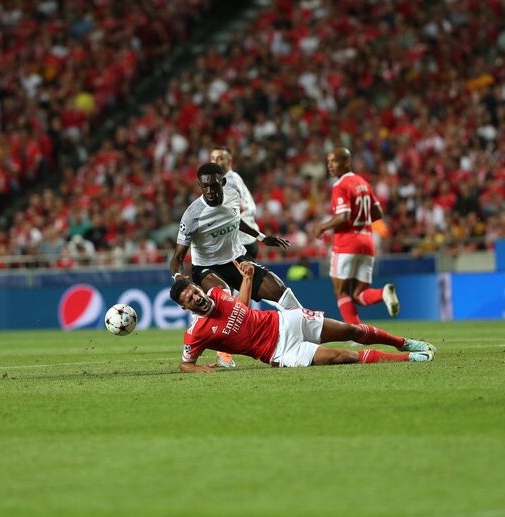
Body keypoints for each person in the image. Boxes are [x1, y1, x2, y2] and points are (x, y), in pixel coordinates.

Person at [170, 261, 435, 372]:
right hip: (280, 351)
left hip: (286, 321)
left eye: (193, 291)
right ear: (185, 308)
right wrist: (199, 371)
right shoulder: (197, 333)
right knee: (345, 356)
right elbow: (185, 363)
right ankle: (408, 358)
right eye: (189, 299)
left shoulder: (217, 293)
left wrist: (248, 278)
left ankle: (404, 342)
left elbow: (240, 306)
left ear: (196, 288)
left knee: (350, 330)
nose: (195, 297)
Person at [170, 163, 304, 368]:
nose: (210, 191)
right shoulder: (191, 216)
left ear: (222, 183)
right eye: (204, 186)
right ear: (199, 185)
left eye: (214, 186)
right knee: (223, 293)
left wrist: (261, 237)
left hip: (236, 259)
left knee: (280, 290)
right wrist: (177, 277)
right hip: (207, 267)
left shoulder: (232, 195)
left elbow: (235, 219)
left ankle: (305, 328)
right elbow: (178, 256)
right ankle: (224, 355)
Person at [315, 147, 399, 325]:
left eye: (334, 161)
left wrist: (323, 226)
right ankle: (383, 293)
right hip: (367, 242)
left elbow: (343, 216)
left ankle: (356, 333)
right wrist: (360, 220)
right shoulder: (363, 182)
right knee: (358, 295)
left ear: (346, 162)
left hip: (346, 243)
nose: (330, 166)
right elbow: (378, 213)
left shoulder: (340, 185)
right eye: (328, 162)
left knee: (341, 292)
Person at [209, 146, 261, 261]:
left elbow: (239, 208)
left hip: (241, 242)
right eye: (213, 158)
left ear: (229, 161)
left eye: (220, 158)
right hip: (246, 239)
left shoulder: (229, 181)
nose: (215, 161)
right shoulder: (233, 177)